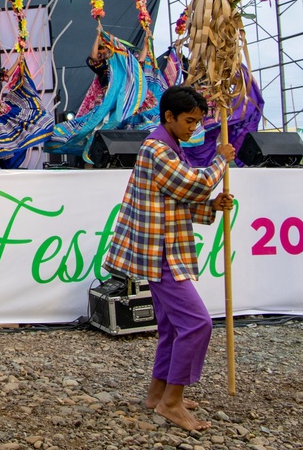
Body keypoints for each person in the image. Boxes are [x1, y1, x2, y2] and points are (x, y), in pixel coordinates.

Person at [103, 85, 235, 433]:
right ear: (169, 117)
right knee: (197, 324)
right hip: (159, 251)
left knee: (174, 327)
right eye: (189, 121)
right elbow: (193, 184)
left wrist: (210, 207)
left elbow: (178, 199)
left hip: (159, 247)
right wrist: (221, 159)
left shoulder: (167, 147)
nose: (194, 127)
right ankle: (171, 402)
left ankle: (156, 393)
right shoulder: (157, 149)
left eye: (197, 122)